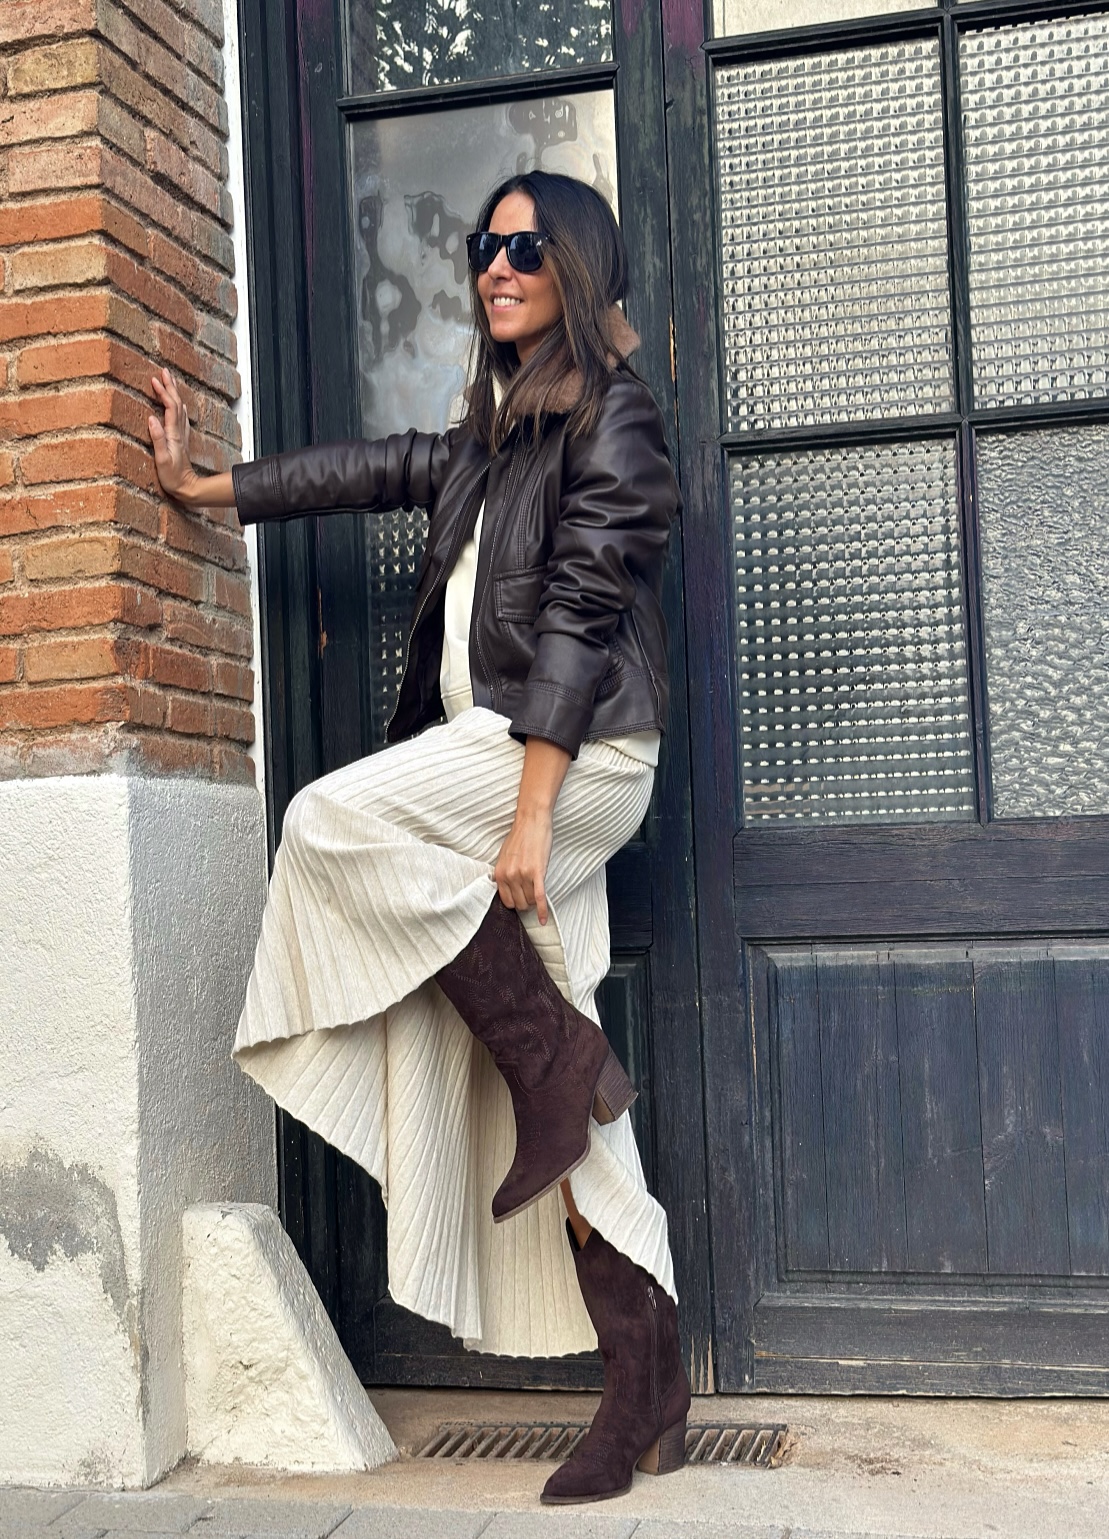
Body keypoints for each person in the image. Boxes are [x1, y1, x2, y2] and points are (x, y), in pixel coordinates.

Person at [149, 170, 689, 1505]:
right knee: (559, 1069)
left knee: (329, 820)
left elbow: (580, 613)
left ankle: (557, 1064)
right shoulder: (495, 430)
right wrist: (210, 484)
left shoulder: (615, 419)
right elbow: (377, 467)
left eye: (526, 247)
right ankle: (647, 1381)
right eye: (482, 246)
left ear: (576, 266)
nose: (496, 265)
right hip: (505, 764)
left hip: (573, 759)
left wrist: (529, 811)